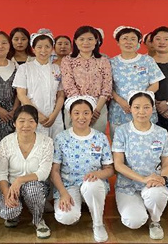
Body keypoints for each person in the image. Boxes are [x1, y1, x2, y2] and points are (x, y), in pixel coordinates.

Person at [51, 96, 114, 243]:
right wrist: (63, 193)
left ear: (92, 115)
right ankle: (78, 205)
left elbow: (110, 169)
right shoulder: (61, 138)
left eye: (86, 113)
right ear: (70, 115)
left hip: (93, 184)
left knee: (92, 185)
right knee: (66, 217)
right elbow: (55, 171)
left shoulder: (100, 138)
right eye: (77, 113)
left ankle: (98, 224)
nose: (81, 117)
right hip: (69, 185)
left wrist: (98, 174)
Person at [111, 91, 168, 240]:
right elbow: (118, 164)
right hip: (127, 186)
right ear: (130, 108)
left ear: (153, 109)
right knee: (134, 221)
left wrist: (163, 178)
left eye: (146, 107)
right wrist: (143, 179)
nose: (141, 112)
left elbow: (167, 163)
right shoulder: (121, 131)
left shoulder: (162, 133)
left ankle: (155, 221)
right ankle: (141, 209)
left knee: (157, 194)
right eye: (137, 107)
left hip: (153, 184)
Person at [0, 105, 54, 238]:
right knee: (8, 212)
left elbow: (43, 173)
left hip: (36, 185)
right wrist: (7, 193)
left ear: (36, 124)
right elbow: (1, 174)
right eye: (21, 121)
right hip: (10, 186)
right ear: (14, 123)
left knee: (33, 190)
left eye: (31, 121)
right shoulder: (5, 143)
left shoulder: (46, 142)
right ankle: (14, 215)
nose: (26, 125)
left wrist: (20, 180)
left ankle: (39, 220)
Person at [109, 26, 164, 138]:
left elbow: (155, 84)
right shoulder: (111, 62)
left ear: (138, 42)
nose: (129, 42)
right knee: (120, 142)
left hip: (144, 109)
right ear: (118, 42)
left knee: (146, 141)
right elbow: (108, 87)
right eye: (125, 38)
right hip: (120, 109)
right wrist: (120, 101)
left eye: (133, 39)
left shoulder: (147, 60)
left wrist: (140, 101)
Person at [60, 26, 112, 133]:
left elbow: (107, 86)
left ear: (96, 41)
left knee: (96, 140)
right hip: (74, 106)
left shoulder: (103, 60)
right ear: (75, 41)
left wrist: (96, 110)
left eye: (90, 39)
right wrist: (82, 110)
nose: (86, 42)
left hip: (98, 108)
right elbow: (68, 85)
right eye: (82, 39)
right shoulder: (67, 60)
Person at [13, 30, 65, 139]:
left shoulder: (56, 69)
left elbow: (61, 94)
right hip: (31, 114)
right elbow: (21, 94)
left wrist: (54, 114)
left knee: (55, 144)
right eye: (39, 47)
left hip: (54, 116)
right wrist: (37, 114)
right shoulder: (25, 68)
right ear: (33, 49)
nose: (43, 50)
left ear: (52, 49)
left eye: (47, 47)